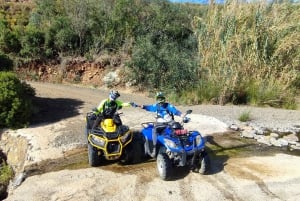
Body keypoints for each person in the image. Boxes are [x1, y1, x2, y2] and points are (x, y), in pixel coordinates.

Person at [137, 92, 186, 156]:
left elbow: (175, 111)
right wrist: (143, 106)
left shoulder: (168, 105)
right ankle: (154, 148)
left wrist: (181, 115)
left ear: (164, 99)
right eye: (159, 99)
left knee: (179, 127)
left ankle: (184, 144)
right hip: (160, 124)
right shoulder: (156, 106)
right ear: (157, 99)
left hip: (170, 123)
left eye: (161, 98)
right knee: (154, 130)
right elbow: (149, 107)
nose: (160, 101)